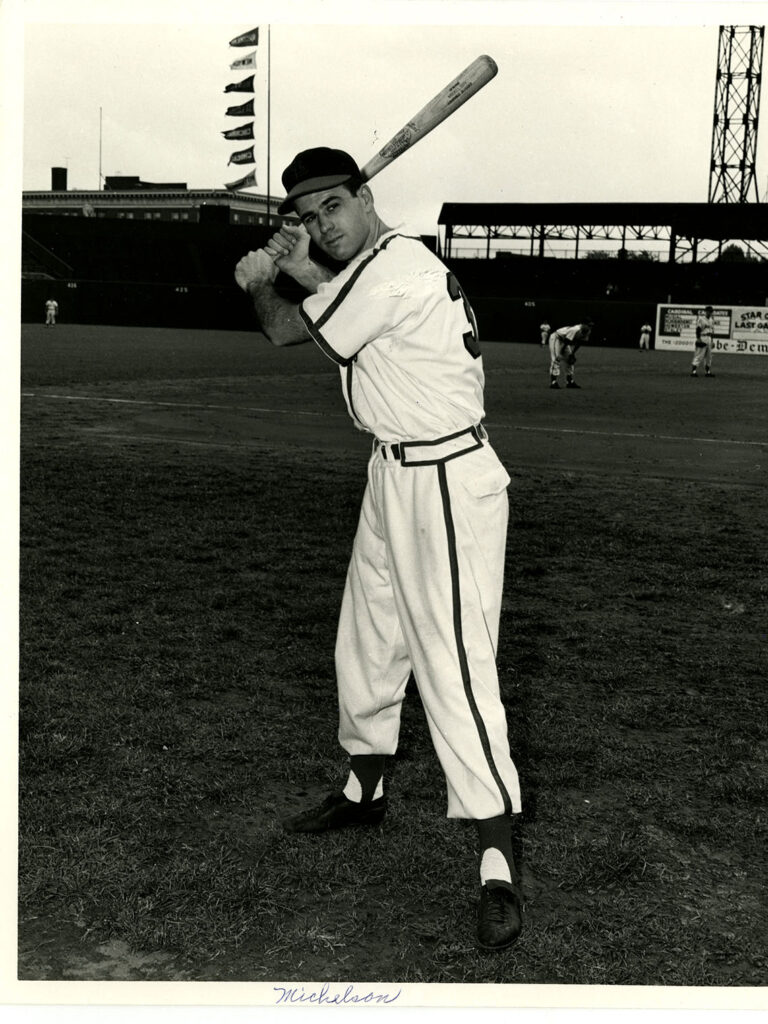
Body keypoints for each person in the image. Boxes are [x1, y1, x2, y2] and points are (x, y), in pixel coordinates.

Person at [234, 147, 523, 951]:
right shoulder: (377, 265)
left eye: (333, 205)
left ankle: (496, 863)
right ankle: (363, 789)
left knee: (456, 669)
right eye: (305, 213)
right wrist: (299, 267)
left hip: (446, 480)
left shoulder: (395, 266)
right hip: (394, 468)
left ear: (367, 199)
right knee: (367, 641)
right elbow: (326, 304)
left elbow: (291, 332)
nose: (322, 223)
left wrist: (268, 275)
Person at [548, 319, 593, 388]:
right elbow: (567, 341)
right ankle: (553, 382)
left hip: (565, 341)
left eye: (591, 326)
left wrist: (572, 354)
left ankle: (569, 382)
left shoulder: (587, 331)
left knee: (570, 361)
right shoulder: (575, 329)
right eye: (588, 325)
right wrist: (560, 353)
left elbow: (579, 343)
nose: (590, 327)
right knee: (556, 358)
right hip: (556, 338)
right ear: (582, 324)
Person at [690, 305, 716, 377]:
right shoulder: (701, 319)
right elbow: (698, 329)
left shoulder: (711, 320)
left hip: (709, 338)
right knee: (699, 355)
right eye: (709, 311)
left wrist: (712, 341)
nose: (710, 313)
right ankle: (694, 371)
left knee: (709, 357)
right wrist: (698, 339)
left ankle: (707, 372)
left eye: (711, 312)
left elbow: (712, 331)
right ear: (706, 311)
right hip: (703, 337)